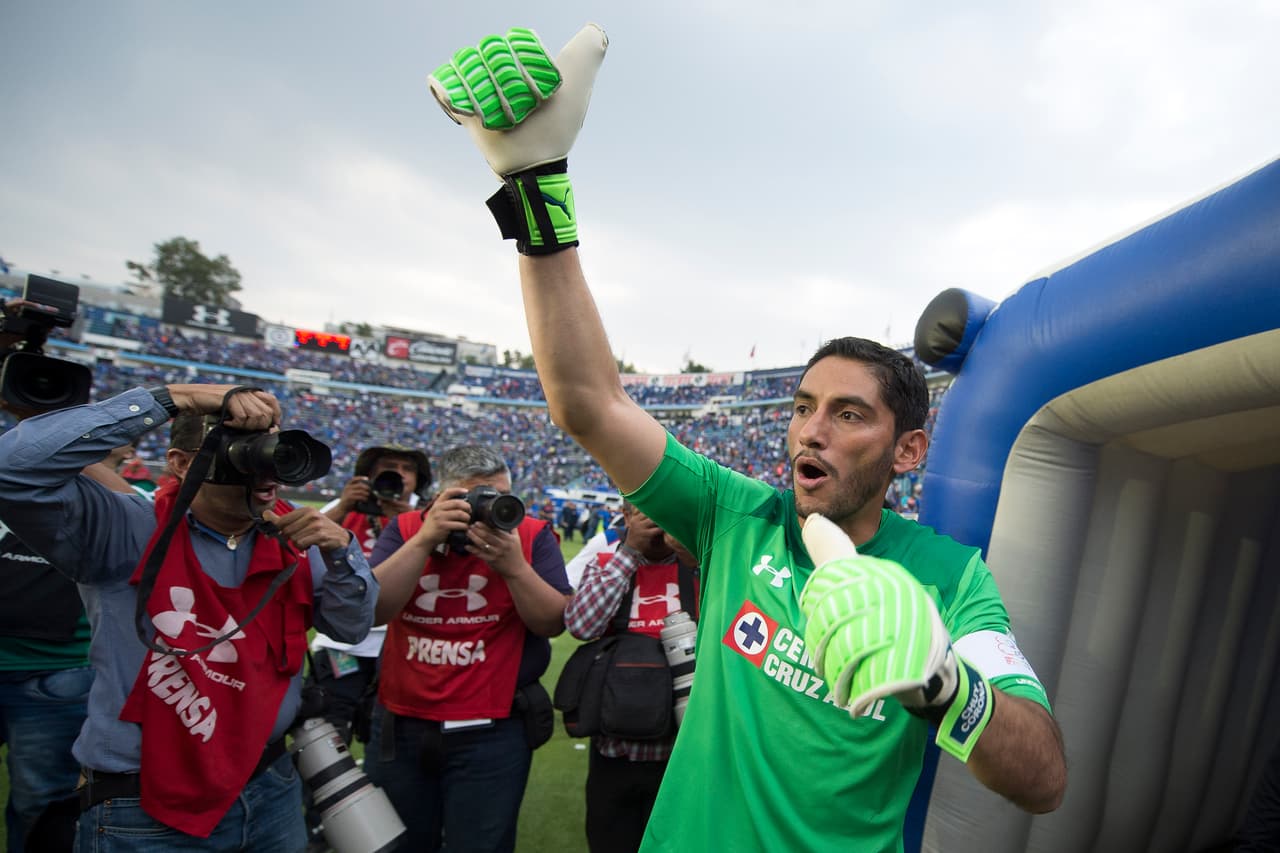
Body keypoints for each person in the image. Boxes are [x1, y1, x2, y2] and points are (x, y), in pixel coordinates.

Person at [426, 24, 1067, 852]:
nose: (812, 428)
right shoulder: (735, 515)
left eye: (848, 413)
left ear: (909, 450)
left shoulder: (950, 579)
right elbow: (587, 401)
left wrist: (946, 685)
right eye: (804, 405)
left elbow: (1045, 780)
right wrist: (536, 187)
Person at [0, 383, 379, 850]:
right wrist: (173, 397)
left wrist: (343, 554)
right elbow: (10, 469)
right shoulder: (127, 527)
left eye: (271, 445)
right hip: (141, 805)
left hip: (269, 787)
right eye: (242, 447)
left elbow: (349, 626)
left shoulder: (295, 536)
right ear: (181, 464)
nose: (265, 464)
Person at [365, 444, 572, 852]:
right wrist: (426, 539)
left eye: (499, 497)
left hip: (493, 730)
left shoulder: (529, 535)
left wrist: (514, 568)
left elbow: (552, 622)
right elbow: (371, 610)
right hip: (402, 723)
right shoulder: (408, 529)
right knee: (399, 843)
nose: (485, 510)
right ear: (441, 497)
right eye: (473, 498)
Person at [303, 444, 431, 849]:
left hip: (398, 652)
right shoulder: (348, 512)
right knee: (322, 750)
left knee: (388, 756)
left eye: (405, 469)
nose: (396, 476)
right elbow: (293, 550)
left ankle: (382, 834)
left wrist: (410, 529)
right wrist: (344, 504)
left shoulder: (426, 523)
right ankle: (315, 831)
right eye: (386, 469)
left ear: (418, 480)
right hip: (339, 650)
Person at [564, 503, 698, 853]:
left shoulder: (701, 570)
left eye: (663, 509)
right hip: (614, 749)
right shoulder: (608, 562)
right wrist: (630, 551)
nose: (655, 523)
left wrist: (688, 549)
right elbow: (582, 625)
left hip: (680, 755)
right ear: (626, 516)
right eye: (643, 513)